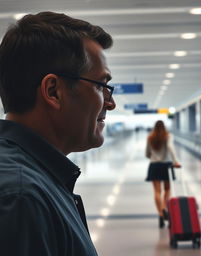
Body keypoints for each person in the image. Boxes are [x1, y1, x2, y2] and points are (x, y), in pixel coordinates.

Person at [0, 11, 116, 255]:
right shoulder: (22, 198)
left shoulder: (35, 182)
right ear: (53, 91)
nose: (110, 103)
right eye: (100, 86)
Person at [145, 120, 181, 228]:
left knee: (157, 191)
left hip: (154, 165)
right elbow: (170, 147)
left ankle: (160, 214)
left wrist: (153, 157)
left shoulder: (150, 137)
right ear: (164, 127)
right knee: (167, 190)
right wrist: (176, 161)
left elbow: (147, 153)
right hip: (166, 165)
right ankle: (165, 208)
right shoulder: (168, 136)